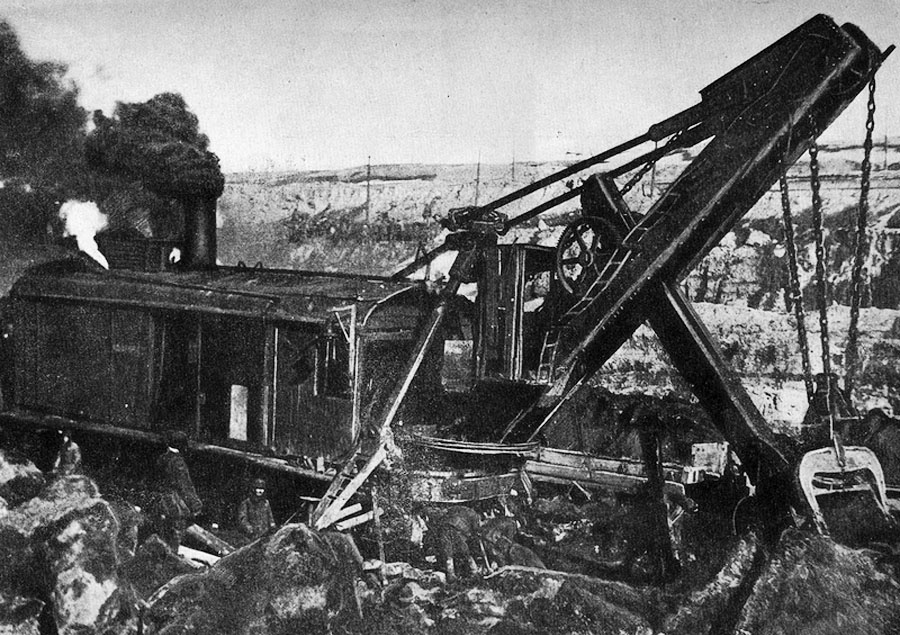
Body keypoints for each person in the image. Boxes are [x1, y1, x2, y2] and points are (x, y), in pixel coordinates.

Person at [152, 431, 202, 552]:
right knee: (175, 532)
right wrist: (195, 504)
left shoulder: (162, 458)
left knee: (162, 533)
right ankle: (172, 556)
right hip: (173, 502)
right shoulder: (178, 462)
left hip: (159, 501)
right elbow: (185, 485)